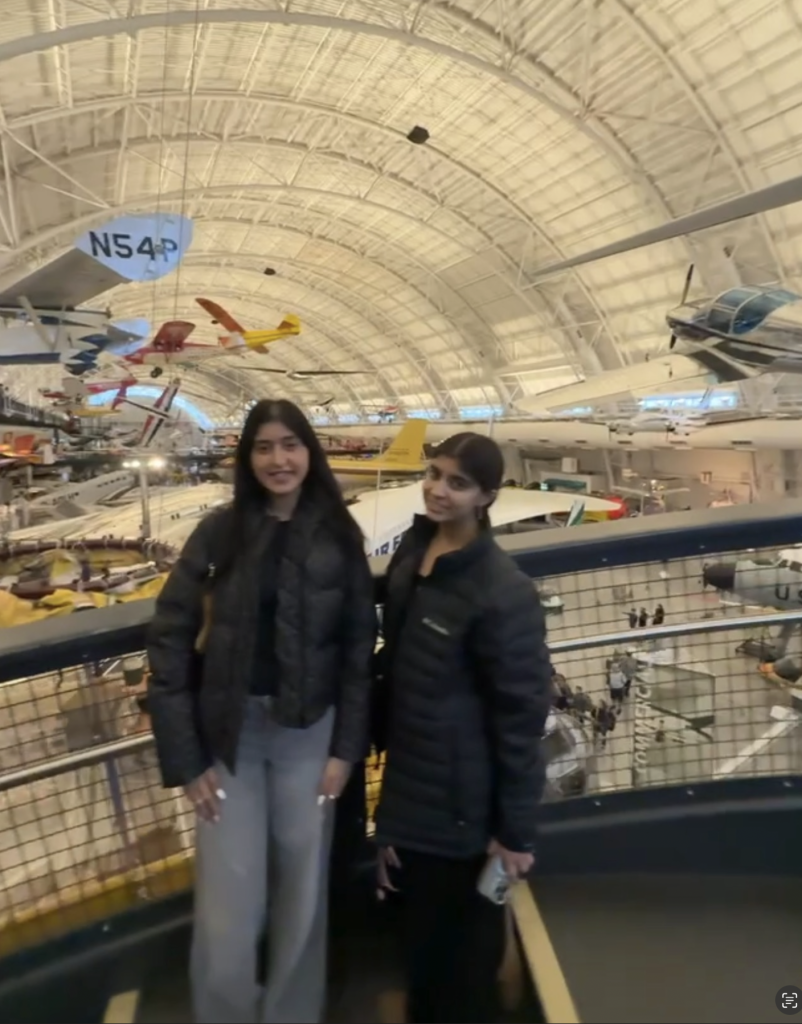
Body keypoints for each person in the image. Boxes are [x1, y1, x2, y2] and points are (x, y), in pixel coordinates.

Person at [146, 399, 377, 1024]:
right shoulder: (219, 533)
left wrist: (344, 751)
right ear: (248, 458)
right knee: (229, 903)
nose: (279, 460)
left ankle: (291, 1014)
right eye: (264, 447)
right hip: (231, 737)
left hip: (310, 736)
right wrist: (186, 757)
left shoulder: (339, 537)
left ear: (309, 453)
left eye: (290, 445)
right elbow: (170, 634)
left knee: (303, 894)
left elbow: (358, 650)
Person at [373, 432, 553, 1024]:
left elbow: (522, 716)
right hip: (413, 791)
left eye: (458, 482)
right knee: (421, 959)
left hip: (462, 812)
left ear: (487, 497)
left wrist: (515, 832)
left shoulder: (503, 590)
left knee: (465, 969)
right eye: (433, 474)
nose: (438, 489)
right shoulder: (416, 554)